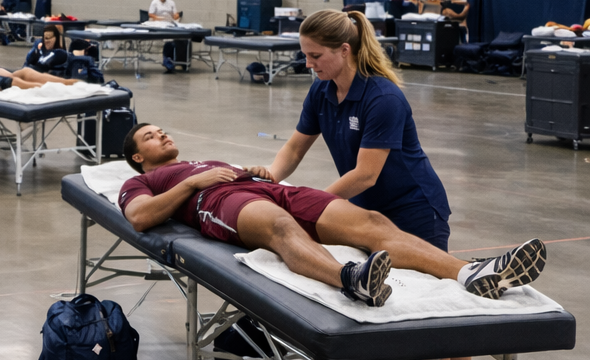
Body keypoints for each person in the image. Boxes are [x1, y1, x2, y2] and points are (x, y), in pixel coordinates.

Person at [264, 8, 474, 360]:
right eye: (305, 55)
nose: (309, 64)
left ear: (345, 50)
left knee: (432, 308)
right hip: (371, 214)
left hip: (415, 208)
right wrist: (268, 180)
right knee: (410, 307)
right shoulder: (322, 91)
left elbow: (365, 173)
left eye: (316, 55)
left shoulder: (383, 98)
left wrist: (313, 207)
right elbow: (294, 147)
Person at [119, 123, 546, 316]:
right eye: (150, 136)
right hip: (217, 200)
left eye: (161, 130)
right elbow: (139, 218)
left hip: (264, 187)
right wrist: (195, 185)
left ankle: (471, 273)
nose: (162, 135)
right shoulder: (142, 181)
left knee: (374, 222)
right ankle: (351, 280)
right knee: (280, 228)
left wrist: (256, 171)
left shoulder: (200, 158)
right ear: (139, 157)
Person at [147, 0, 185, 72]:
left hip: (168, 21)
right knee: (167, 38)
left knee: (171, 40)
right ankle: (168, 61)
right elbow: (151, 14)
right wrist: (159, 18)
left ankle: (168, 61)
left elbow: (175, 14)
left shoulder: (171, 3)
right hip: (157, 21)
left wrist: (176, 16)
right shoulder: (155, 2)